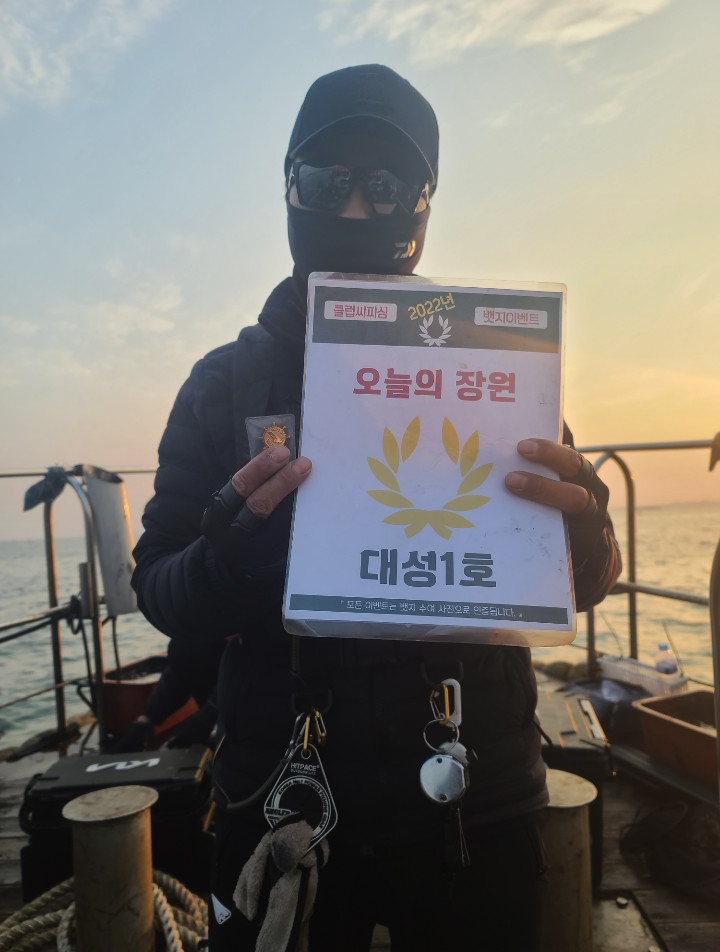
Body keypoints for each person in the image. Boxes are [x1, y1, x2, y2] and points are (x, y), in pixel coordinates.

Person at [132, 64, 621, 952]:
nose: (356, 208)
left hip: (476, 789)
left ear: (425, 206)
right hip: (279, 793)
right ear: (288, 188)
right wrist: (226, 560)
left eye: (389, 187)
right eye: (328, 181)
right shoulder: (223, 382)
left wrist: (586, 525)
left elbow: (586, 581)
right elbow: (159, 586)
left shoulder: (498, 366)